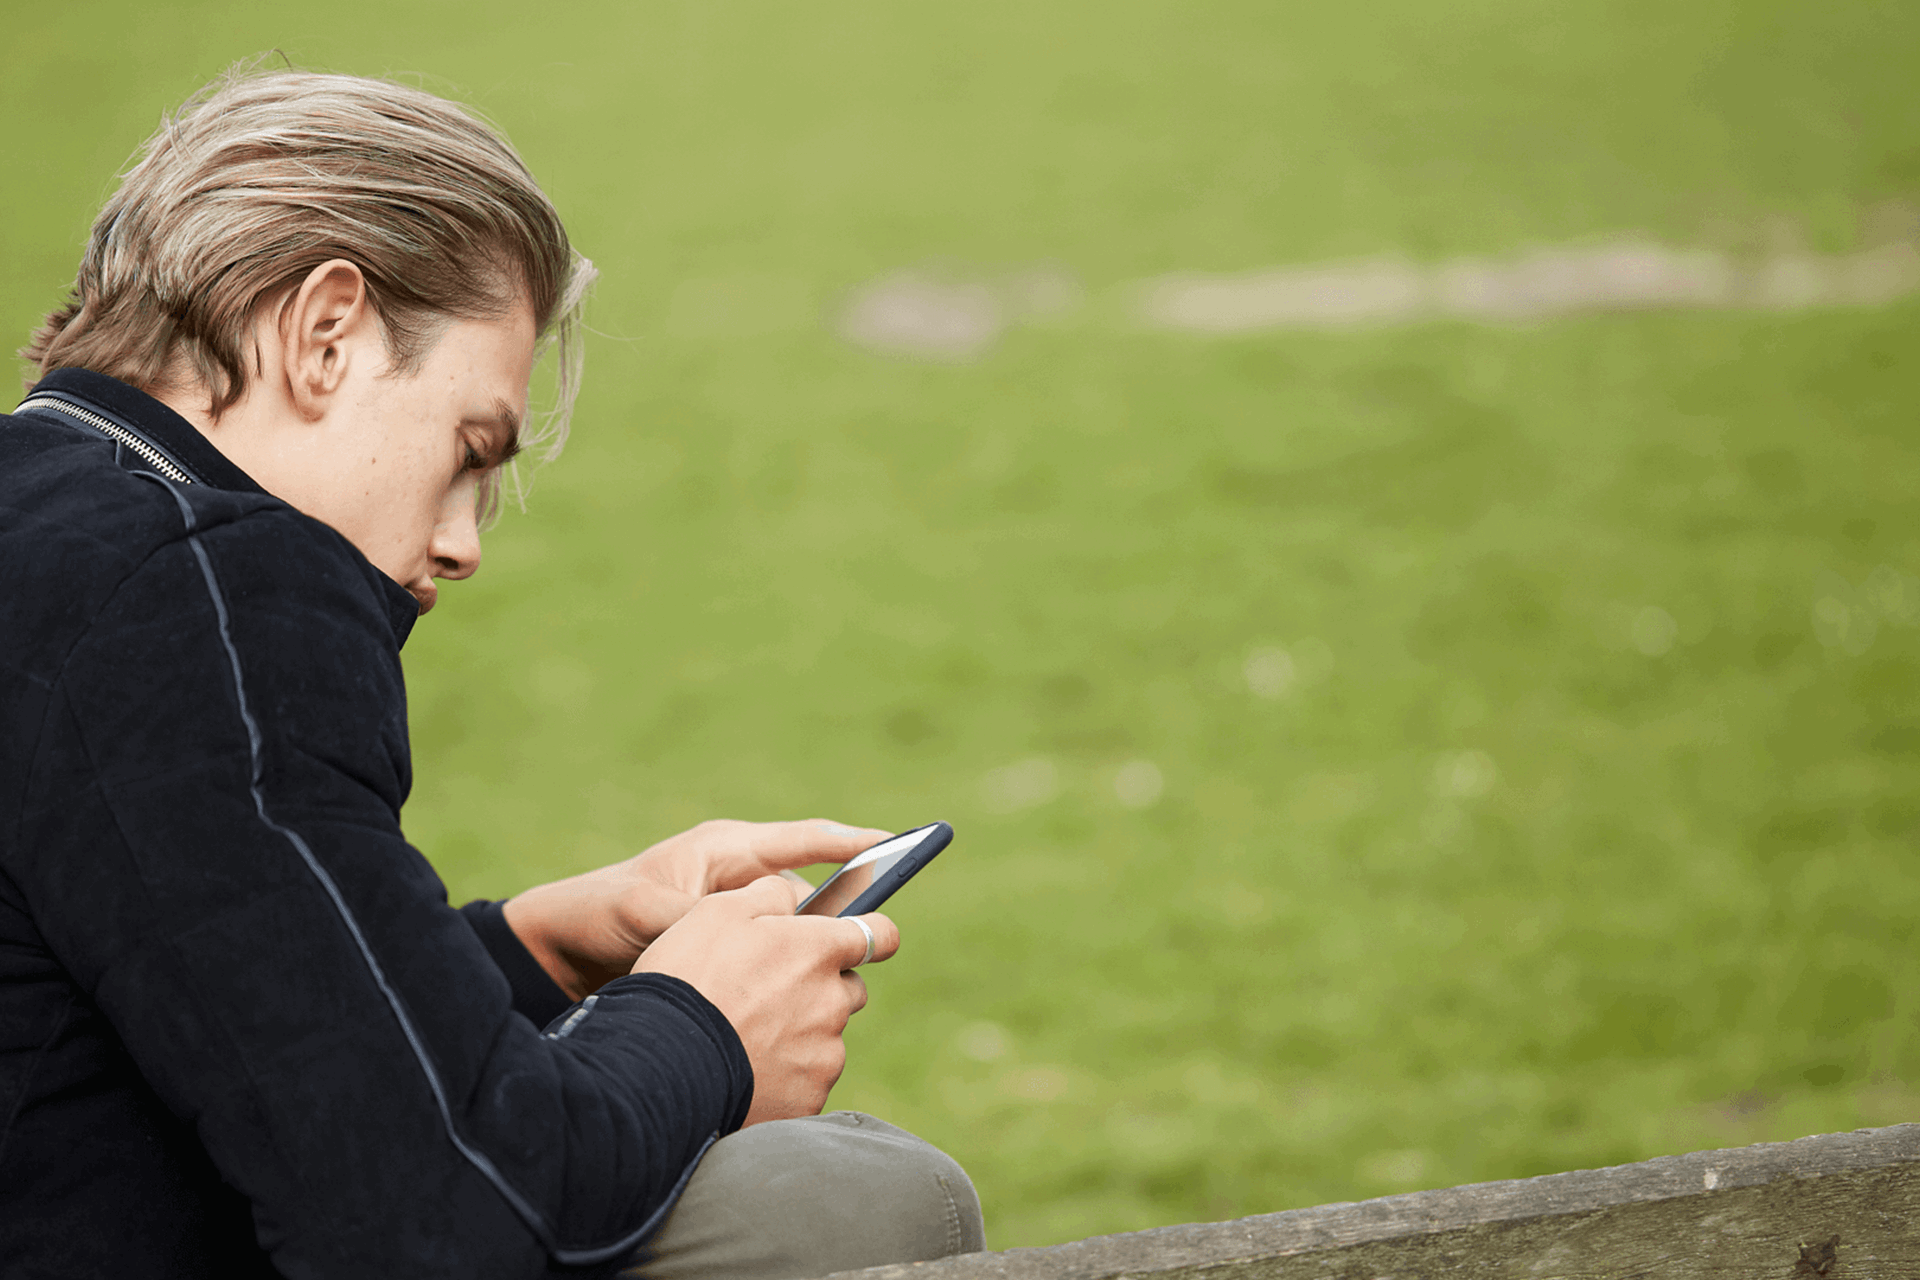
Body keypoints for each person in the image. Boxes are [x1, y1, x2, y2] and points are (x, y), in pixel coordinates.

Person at [0, 65, 984, 1280]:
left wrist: (531, 953)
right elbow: (436, 1218)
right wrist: (704, 1025)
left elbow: (161, 990)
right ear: (325, 332)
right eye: (470, 452)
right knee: (861, 1201)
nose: (465, 543)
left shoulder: (47, 518)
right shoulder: (203, 575)